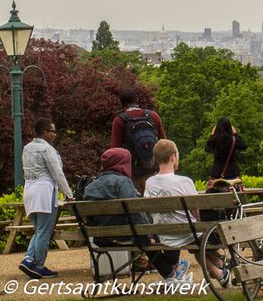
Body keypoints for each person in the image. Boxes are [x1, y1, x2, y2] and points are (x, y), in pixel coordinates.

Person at [83, 148, 190, 283]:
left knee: (149, 237)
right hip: (126, 235)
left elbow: (89, 219)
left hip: (102, 238)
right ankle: (173, 272)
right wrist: (147, 236)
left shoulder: (90, 186)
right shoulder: (122, 182)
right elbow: (135, 212)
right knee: (167, 230)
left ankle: (171, 275)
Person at [145, 139, 230, 287]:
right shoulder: (184, 181)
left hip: (165, 236)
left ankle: (220, 273)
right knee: (197, 236)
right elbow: (195, 210)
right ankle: (218, 263)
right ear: (173, 157)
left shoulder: (149, 182)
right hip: (188, 235)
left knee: (194, 239)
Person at [19, 117, 74, 279]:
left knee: (39, 230)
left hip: (29, 190)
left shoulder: (27, 148)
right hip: (44, 191)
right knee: (45, 231)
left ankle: (28, 259)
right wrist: (69, 195)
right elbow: (58, 174)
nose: (55, 134)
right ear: (44, 132)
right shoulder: (48, 150)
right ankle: (38, 266)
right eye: (52, 131)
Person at [110, 88, 166, 195]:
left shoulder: (120, 120)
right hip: (153, 170)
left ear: (122, 103)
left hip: (132, 173)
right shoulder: (153, 116)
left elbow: (115, 150)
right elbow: (164, 144)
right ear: (137, 100)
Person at [205, 117, 247, 188]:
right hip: (232, 173)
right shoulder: (233, 140)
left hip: (216, 174)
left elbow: (207, 148)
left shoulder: (214, 141)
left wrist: (212, 134)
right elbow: (244, 145)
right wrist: (235, 133)